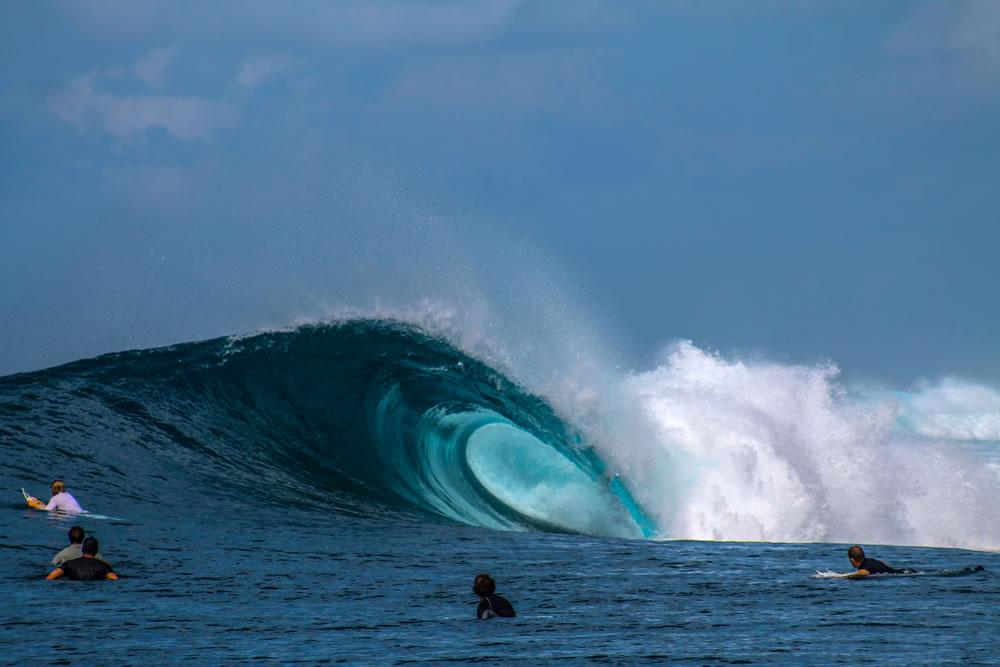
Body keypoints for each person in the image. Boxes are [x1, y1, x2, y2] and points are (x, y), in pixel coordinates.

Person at [47, 537, 118, 581]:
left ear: (82, 550)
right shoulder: (104, 566)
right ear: (96, 551)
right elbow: (114, 579)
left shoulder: (69, 564)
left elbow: (51, 577)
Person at [847, 545, 912, 577]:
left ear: (852, 560)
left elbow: (864, 573)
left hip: (904, 575)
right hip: (906, 571)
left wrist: (841, 577)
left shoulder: (864, 569)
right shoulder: (872, 560)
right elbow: (885, 565)